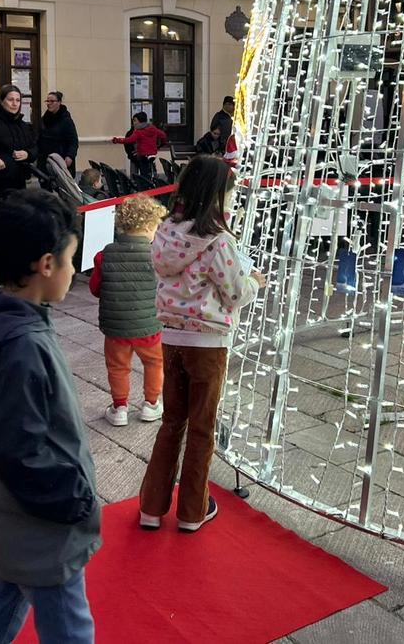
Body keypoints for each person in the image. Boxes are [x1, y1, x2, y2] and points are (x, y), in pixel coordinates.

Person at [0, 190, 99, 644]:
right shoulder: (23, 344)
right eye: (71, 260)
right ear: (47, 264)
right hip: (43, 527)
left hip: (12, 520)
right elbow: (19, 448)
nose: (74, 271)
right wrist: (76, 499)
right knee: (70, 632)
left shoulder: (8, 324)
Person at [138, 156, 264, 532]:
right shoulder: (218, 241)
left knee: (171, 422)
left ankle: (151, 507)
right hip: (208, 342)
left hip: (171, 337)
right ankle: (193, 510)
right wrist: (256, 281)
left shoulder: (166, 232)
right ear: (217, 195)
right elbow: (235, 294)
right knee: (202, 428)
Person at [89, 194, 167, 427]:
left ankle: (119, 408)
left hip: (116, 329)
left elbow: (95, 289)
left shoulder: (104, 255)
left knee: (117, 367)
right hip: (149, 327)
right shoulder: (157, 257)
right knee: (154, 363)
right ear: (150, 227)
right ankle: (151, 405)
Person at [112, 111, 168, 179]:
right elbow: (163, 135)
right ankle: (153, 177)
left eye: (135, 121)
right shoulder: (153, 128)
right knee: (150, 169)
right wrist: (161, 144)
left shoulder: (138, 131)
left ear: (140, 121)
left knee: (144, 173)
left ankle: (144, 181)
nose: (134, 123)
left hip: (143, 155)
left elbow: (129, 140)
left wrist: (117, 140)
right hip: (152, 154)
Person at [37, 91, 79, 174]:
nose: (49, 104)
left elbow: (73, 141)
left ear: (59, 102)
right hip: (45, 160)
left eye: (52, 101)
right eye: (47, 101)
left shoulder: (66, 120)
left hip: (61, 161)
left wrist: (70, 156)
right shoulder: (44, 119)